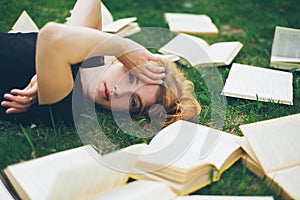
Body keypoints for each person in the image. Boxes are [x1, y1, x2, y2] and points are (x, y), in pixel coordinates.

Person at [0, 0, 201, 127]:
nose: (118, 91)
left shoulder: (71, 103)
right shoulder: (89, 57)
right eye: (131, 76)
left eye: (133, 101)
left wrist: (123, 47)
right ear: (124, 63)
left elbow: (52, 36)